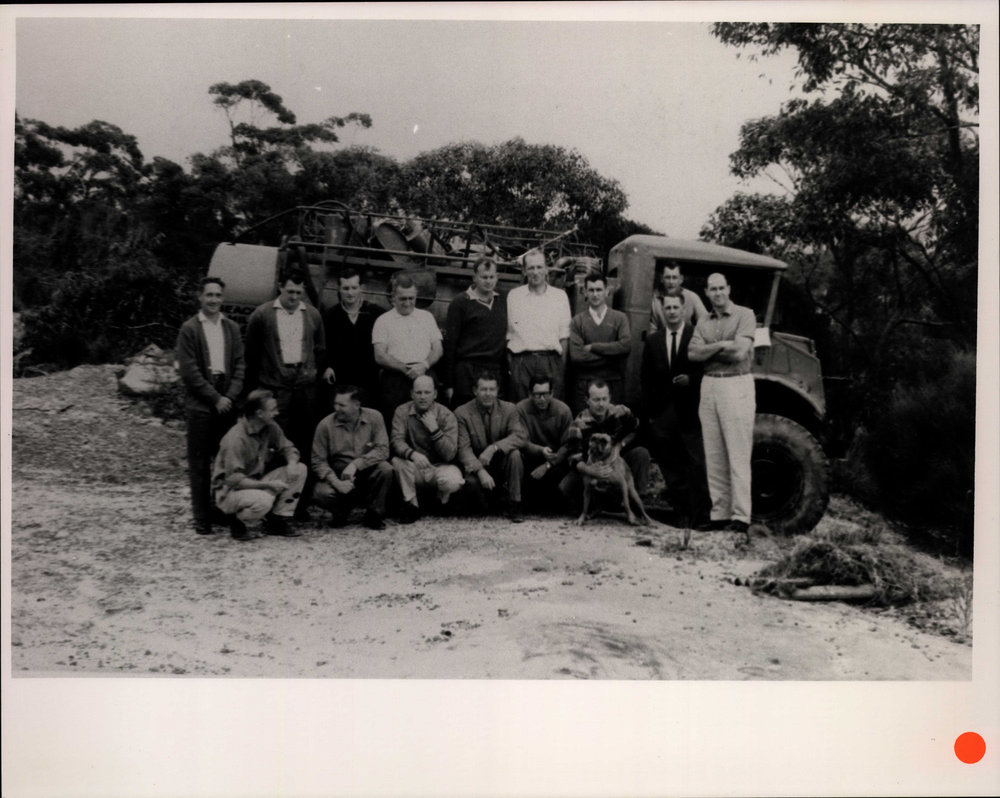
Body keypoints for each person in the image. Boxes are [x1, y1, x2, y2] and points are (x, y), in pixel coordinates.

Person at [243, 269, 325, 516]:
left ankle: (298, 505)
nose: (294, 297)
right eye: (290, 291)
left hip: (304, 390)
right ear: (280, 287)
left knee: (303, 443)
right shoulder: (262, 315)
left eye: (299, 292)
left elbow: (320, 349)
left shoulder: (312, 315)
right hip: (275, 390)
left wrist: (310, 373)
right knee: (276, 444)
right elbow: (251, 356)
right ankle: (270, 502)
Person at [176, 277, 246, 536]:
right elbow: (190, 372)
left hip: (227, 402)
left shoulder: (231, 328)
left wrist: (229, 396)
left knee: (225, 461)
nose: (214, 300)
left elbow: (239, 365)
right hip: (201, 405)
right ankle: (201, 516)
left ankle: (221, 509)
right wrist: (214, 398)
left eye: (218, 295)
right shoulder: (190, 329)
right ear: (200, 298)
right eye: (209, 295)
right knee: (199, 462)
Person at [688, 272, 757, 534]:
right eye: (712, 289)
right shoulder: (703, 320)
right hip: (710, 384)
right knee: (714, 453)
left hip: (736, 384)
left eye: (721, 288)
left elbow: (740, 352)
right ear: (706, 293)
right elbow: (693, 354)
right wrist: (723, 345)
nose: (717, 293)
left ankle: (741, 517)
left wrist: (712, 347)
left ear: (729, 289)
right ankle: (719, 515)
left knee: (737, 452)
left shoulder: (745, 314)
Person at [641, 292, 709, 527]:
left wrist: (691, 380)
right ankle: (681, 514)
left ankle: (701, 517)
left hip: (691, 412)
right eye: (667, 308)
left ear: (684, 310)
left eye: (675, 308)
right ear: (663, 310)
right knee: (671, 468)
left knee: (697, 465)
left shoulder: (697, 337)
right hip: (663, 415)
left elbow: (707, 372)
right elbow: (646, 379)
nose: (671, 311)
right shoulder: (653, 341)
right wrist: (652, 416)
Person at [211, 389, 308, 541]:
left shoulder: (270, 426)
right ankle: (237, 522)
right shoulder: (236, 438)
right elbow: (234, 480)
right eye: (273, 410)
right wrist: (267, 485)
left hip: (255, 481)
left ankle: (278, 520)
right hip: (229, 492)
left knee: (300, 470)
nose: (277, 413)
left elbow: (288, 447)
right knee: (264, 500)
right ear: (259, 413)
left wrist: (292, 462)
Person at [311, 384, 394, 530]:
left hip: (367, 471)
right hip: (339, 475)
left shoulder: (375, 417)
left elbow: (383, 450)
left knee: (385, 469)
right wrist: (337, 483)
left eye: (342, 405)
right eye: (335, 404)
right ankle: (340, 513)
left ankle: (374, 514)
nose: (337, 409)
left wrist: (356, 465)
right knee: (321, 492)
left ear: (357, 405)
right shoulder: (325, 425)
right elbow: (318, 461)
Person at [559, 379, 651, 507]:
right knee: (566, 487)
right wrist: (590, 470)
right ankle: (597, 506)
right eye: (596, 400)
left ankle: (637, 503)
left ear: (610, 398)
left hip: (619, 462)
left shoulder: (621, 412)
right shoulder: (578, 424)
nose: (601, 404)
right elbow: (573, 457)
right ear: (587, 400)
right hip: (592, 465)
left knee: (641, 453)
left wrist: (620, 445)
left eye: (604, 399)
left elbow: (637, 430)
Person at [454, 371, 529, 522]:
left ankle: (515, 503)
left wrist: (493, 448)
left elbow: (520, 436)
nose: (488, 394)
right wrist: (480, 471)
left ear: (497, 391)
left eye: (491, 389)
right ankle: (489, 502)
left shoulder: (509, 409)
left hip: (501, 462)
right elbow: (463, 449)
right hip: (476, 465)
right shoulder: (462, 413)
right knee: (475, 496)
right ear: (475, 391)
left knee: (515, 455)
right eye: (483, 389)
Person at [390, 375, 465, 523]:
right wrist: (412, 454)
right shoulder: (402, 411)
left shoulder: (446, 415)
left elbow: (450, 454)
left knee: (454, 480)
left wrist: (435, 430)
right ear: (412, 394)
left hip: (439, 467)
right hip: (415, 467)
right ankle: (412, 505)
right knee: (396, 462)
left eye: (427, 392)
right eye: (418, 393)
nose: (422, 397)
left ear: (435, 394)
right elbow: (396, 441)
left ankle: (441, 501)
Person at [372, 273, 443, 423]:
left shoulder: (427, 317)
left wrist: (424, 365)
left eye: (411, 298)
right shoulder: (383, 321)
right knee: (395, 422)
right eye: (403, 299)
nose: (408, 303)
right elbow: (379, 355)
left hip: (424, 375)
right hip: (395, 379)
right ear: (393, 298)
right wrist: (405, 369)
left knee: (427, 422)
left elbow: (438, 349)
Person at [506, 249, 571, 402]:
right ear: (524, 271)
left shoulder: (560, 296)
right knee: (521, 410)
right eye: (531, 268)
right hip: (521, 363)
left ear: (546, 269)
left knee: (549, 412)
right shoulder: (514, 296)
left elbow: (564, 337)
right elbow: (509, 335)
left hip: (550, 362)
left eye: (539, 267)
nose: (535, 272)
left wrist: (559, 370)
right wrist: (515, 367)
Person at [443, 256, 508, 408]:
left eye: (492, 277)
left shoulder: (503, 301)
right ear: (474, 277)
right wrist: (449, 384)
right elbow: (450, 344)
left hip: (494, 371)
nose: (488, 281)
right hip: (467, 372)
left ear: (497, 277)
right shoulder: (460, 302)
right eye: (484, 277)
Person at [568, 273, 632, 413]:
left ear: (606, 291)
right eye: (591, 290)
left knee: (612, 426)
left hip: (613, 384)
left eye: (599, 290)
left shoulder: (620, 318)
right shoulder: (577, 321)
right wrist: (614, 357)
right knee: (585, 427)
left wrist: (593, 347)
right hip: (584, 384)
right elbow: (577, 357)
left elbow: (626, 346)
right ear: (585, 292)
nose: (595, 294)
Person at [321, 267, 382, 405]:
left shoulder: (376, 313)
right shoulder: (330, 316)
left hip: (368, 379)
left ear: (361, 288)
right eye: (346, 288)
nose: (350, 293)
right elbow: (323, 347)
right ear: (339, 289)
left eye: (354, 288)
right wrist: (327, 367)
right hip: (340, 379)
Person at [515, 374, 574, 510]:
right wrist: (539, 450)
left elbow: (568, 444)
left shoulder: (563, 410)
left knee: (556, 480)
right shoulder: (520, 409)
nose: (542, 399)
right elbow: (519, 439)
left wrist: (548, 464)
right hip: (530, 457)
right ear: (530, 394)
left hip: (555, 460)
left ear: (552, 393)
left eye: (545, 394)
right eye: (537, 395)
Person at [649, 260, 708, 332]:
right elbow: (652, 330)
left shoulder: (692, 297)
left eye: (674, 277)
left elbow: (706, 323)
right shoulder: (653, 299)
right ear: (662, 279)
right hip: (663, 341)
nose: (671, 282)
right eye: (667, 277)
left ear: (681, 279)